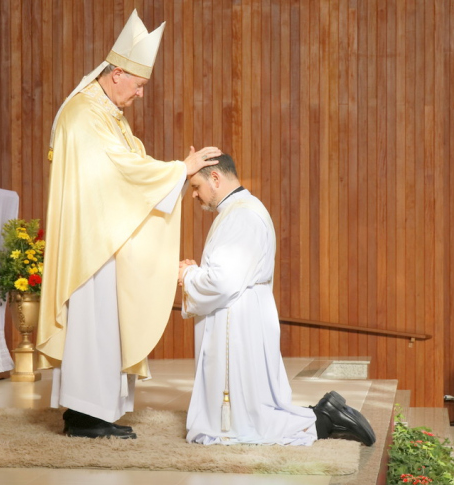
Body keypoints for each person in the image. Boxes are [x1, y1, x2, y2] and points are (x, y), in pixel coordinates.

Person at [36, 10, 221, 440]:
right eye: (138, 85)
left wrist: (175, 172)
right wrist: (181, 168)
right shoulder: (84, 114)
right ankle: (85, 416)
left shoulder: (107, 113)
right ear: (116, 74)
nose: (139, 95)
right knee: (95, 325)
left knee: (106, 326)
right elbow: (120, 171)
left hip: (106, 234)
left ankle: (94, 413)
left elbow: (133, 165)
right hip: (92, 245)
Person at [178, 153, 376, 446]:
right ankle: (321, 414)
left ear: (216, 179)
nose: (193, 194)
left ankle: (322, 420)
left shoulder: (242, 214)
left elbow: (223, 281)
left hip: (237, 319)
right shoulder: (239, 210)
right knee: (253, 402)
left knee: (243, 421)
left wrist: (188, 274)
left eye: (196, 185)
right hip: (243, 312)